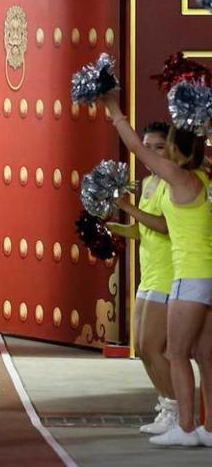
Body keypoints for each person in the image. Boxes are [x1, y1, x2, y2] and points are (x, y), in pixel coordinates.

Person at [103, 90, 212, 447]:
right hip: (206, 276)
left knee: (176, 354)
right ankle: (208, 430)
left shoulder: (182, 180)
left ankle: (184, 428)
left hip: (189, 276)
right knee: (206, 357)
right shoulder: (205, 176)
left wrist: (114, 110)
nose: (156, 154)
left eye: (164, 148)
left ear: (175, 151)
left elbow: (137, 149)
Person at [106, 121, 176, 435]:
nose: (150, 152)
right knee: (143, 348)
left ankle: (176, 408)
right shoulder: (147, 183)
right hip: (148, 274)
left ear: (171, 149)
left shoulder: (175, 184)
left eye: (157, 147)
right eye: (145, 146)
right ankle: (166, 404)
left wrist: (127, 208)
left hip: (169, 274)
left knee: (152, 347)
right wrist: (114, 228)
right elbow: (143, 231)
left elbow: (164, 226)